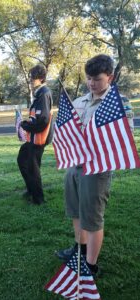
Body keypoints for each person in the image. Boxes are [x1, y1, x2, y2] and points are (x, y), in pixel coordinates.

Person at [55, 54, 134, 277]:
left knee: (92, 218)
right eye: (88, 78)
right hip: (75, 164)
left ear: (110, 76)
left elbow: (123, 135)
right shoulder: (80, 102)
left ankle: (90, 265)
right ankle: (79, 251)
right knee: (76, 212)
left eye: (97, 79)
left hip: (97, 168)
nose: (91, 83)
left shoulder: (118, 103)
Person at [17, 64, 53, 205]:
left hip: (38, 138)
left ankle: (38, 199)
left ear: (41, 78)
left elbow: (43, 120)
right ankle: (31, 190)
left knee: (33, 168)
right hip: (34, 137)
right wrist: (27, 123)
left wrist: (26, 126)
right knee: (22, 159)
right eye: (30, 77)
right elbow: (38, 117)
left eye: (33, 78)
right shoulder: (39, 93)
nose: (31, 80)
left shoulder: (43, 93)